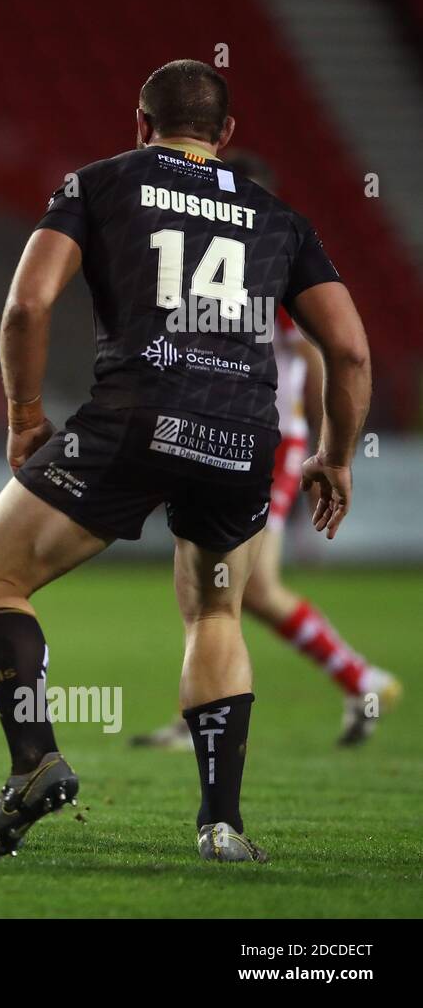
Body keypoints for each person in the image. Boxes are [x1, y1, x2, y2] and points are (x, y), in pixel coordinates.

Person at [0, 60, 371, 864]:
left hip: (134, 424)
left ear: (141, 124)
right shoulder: (281, 217)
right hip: (244, 439)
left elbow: (27, 305)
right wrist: (335, 456)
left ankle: (35, 758)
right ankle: (221, 825)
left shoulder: (100, 182)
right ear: (228, 136)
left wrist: (24, 417)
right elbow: (348, 350)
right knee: (215, 611)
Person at [131, 152, 399, 751]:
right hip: (229, 432)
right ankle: (200, 712)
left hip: (268, 441)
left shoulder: (262, 258)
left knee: (247, 587)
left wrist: (320, 442)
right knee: (207, 581)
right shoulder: (239, 256)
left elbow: (316, 353)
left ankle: (359, 678)